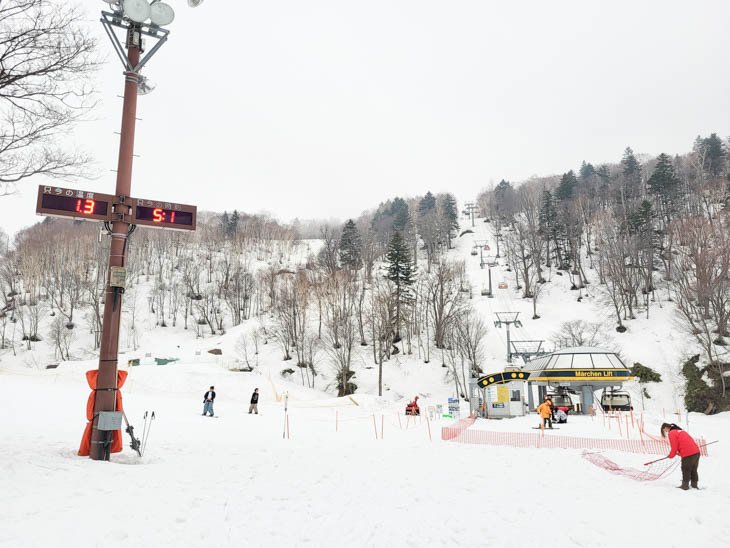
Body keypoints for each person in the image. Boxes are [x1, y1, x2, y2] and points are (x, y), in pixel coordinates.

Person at [661, 422, 701, 490]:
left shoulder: (672, 433)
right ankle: (694, 485)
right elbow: (683, 443)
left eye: (664, 430)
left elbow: (674, 447)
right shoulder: (680, 431)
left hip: (688, 454)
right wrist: (680, 452)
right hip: (696, 452)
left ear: (666, 428)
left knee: (686, 469)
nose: (666, 432)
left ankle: (685, 486)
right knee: (693, 469)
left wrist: (671, 455)